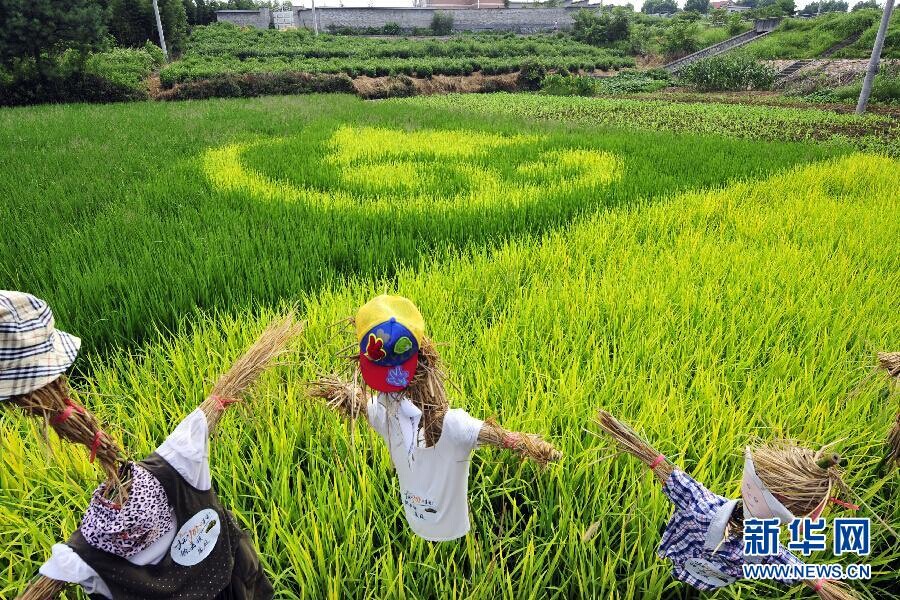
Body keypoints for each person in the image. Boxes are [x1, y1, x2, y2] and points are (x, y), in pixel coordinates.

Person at [13, 298, 301, 599]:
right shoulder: (179, 460)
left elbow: (40, 590)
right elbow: (217, 400)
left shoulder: (80, 556)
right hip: (234, 584)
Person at [310, 294, 561, 542]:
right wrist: (339, 393)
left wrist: (541, 449)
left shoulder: (450, 426)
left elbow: (503, 439)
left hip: (441, 524)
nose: (388, 390)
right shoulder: (385, 412)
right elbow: (360, 404)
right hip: (421, 520)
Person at [595, 410, 861, 600]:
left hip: (705, 577)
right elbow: (794, 567)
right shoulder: (757, 545)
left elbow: (665, 469)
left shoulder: (700, 505)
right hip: (681, 566)